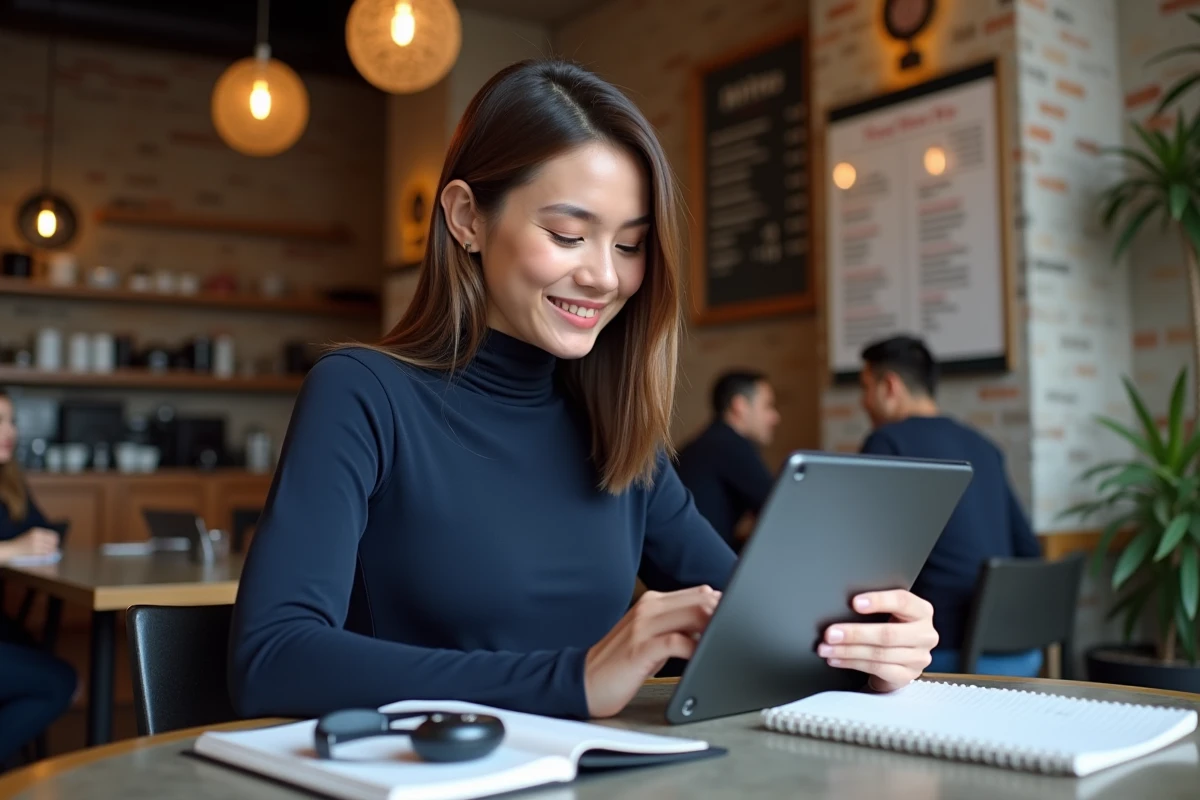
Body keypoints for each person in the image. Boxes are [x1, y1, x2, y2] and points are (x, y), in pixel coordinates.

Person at [229, 59, 938, 723]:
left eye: (629, 246)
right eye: (569, 235)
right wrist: (576, 678)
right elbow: (272, 657)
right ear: (467, 218)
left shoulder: (617, 428)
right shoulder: (362, 395)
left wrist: (865, 649)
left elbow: (753, 626)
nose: (606, 276)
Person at [857, 335, 1044, 676]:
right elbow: (1028, 549)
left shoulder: (887, 441)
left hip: (941, 652)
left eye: (866, 387)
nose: (863, 402)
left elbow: (862, 560)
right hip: (1021, 654)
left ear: (889, 386)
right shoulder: (984, 446)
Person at [0, 389, 76, 767]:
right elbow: (23, 542)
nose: (9, 431)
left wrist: (40, 541)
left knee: (48, 668)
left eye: (11, 420)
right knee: (57, 681)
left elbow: (45, 532)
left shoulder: (9, 483)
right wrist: (14, 549)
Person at [674, 371, 780, 551]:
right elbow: (779, 508)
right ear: (740, 406)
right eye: (767, 406)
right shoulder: (730, 445)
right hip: (699, 569)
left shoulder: (711, 441)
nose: (775, 417)